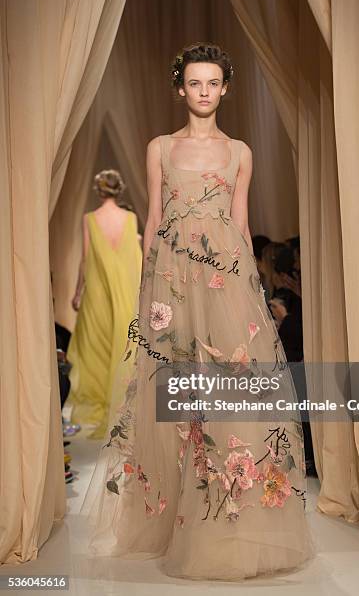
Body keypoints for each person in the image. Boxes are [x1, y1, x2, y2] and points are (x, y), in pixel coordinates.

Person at [83, 43, 315, 580]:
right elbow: (155, 217)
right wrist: (148, 289)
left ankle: (227, 519)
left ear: (225, 88)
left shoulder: (240, 152)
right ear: (180, 88)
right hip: (173, 284)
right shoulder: (160, 147)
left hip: (225, 281)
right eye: (195, 83)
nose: (205, 91)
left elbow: (238, 223)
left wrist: (248, 294)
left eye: (213, 83)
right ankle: (171, 524)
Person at [66, 170, 143, 439]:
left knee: (98, 348)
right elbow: (136, 258)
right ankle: (122, 406)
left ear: (98, 191)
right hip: (124, 290)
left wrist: (78, 292)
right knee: (124, 345)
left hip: (98, 293)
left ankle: (104, 406)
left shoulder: (90, 219)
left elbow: (86, 261)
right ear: (119, 190)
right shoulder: (130, 218)